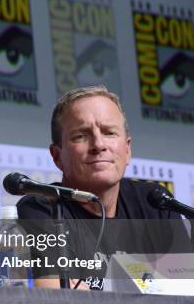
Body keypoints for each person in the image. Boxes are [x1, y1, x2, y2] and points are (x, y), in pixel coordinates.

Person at [17, 85, 191, 289]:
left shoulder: (155, 202)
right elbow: (55, 297)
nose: (99, 145)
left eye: (109, 132)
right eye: (81, 136)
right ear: (57, 156)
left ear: (127, 150)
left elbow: (185, 294)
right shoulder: (43, 208)